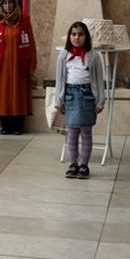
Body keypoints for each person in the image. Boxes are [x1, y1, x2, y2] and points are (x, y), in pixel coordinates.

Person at [54, 21, 105, 179]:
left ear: (86, 36)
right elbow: (60, 79)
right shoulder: (64, 55)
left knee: (86, 131)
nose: (77, 37)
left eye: (80, 34)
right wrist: (59, 100)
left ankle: (84, 165)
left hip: (87, 96)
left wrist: (100, 101)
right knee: (72, 132)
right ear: (69, 36)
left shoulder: (93, 56)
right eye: (74, 34)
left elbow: (98, 79)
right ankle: (73, 164)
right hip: (70, 96)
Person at [0, 0, 36, 135]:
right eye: (5, 3)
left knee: (18, 93)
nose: (8, 6)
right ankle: (5, 125)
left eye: (10, 3)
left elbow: (31, 42)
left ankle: (18, 126)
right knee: (3, 94)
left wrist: (32, 64)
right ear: (1, 6)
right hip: (1, 65)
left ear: (15, 4)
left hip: (19, 63)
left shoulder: (24, 19)